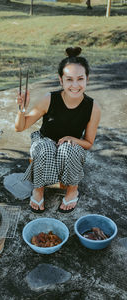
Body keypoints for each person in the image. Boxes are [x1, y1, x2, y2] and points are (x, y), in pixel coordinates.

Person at [15, 47, 101, 213]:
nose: (75, 85)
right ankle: (38, 189)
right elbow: (20, 127)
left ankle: (72, 190)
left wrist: (74, 139)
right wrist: (21, 109)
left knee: (69, 148)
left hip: (69, 149)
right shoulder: (49, 99)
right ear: (61, 80)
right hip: (44, 142)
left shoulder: (93, 107)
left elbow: (88, 143)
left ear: (87, 79)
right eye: (69, 79)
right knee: (45, 147)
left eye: (80, 79)